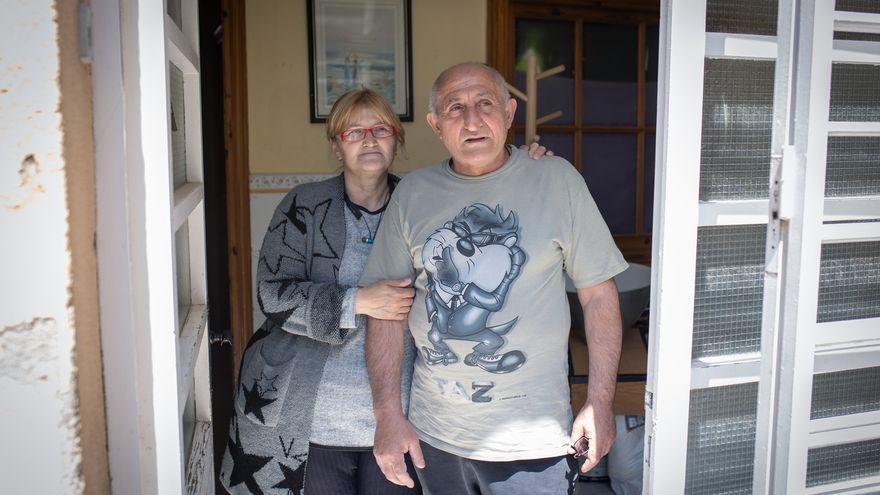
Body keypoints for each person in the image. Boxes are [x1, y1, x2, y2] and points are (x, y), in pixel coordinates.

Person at [218, 87, 551, 494]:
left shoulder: (424, 202)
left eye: (380, 129)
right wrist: (358, 300)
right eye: (353, 132)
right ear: (337, 147)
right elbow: (272, 294)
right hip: (312, 420)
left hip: (399, 419)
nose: (370, 139)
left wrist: (530, 164)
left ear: (397, 139)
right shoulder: (303, 206)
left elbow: (487, 198)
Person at [360, 63, 627, 495]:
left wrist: (600, 402)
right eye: (454, 108)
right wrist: (387, 416)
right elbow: (387, 312)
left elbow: (598, 295)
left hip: (533, 442)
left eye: (484, 103)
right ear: (435, 125)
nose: (471, 120)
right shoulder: (412, 194)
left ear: (508, 113)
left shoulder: (557, 180)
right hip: (436, 438)